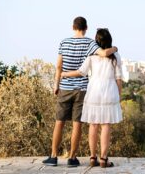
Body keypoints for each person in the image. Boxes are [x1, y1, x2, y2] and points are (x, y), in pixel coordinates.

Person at [42, 17, 117, 167]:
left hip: (65, 87)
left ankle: (53, 156)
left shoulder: (64, 42)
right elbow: (103, 54)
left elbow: (58, 66)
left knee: (59, 122)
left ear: (73, 27)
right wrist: (115, 48)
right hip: (82, 88)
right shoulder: (90, 43)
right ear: (86, 27)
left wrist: (56, 84)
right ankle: (72, 158)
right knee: (77, 124)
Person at [61, 28, 123, 168]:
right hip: (109, 91)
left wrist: (64, 74)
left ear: (97, 40)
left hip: (94, 91)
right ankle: (104, 159)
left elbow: (81, 72)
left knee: (93, 124)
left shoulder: (91, 55)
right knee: (106, 124)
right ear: (109, 39)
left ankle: (92, 157)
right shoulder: (115, 55)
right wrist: (119, 95)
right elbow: (119, 78)